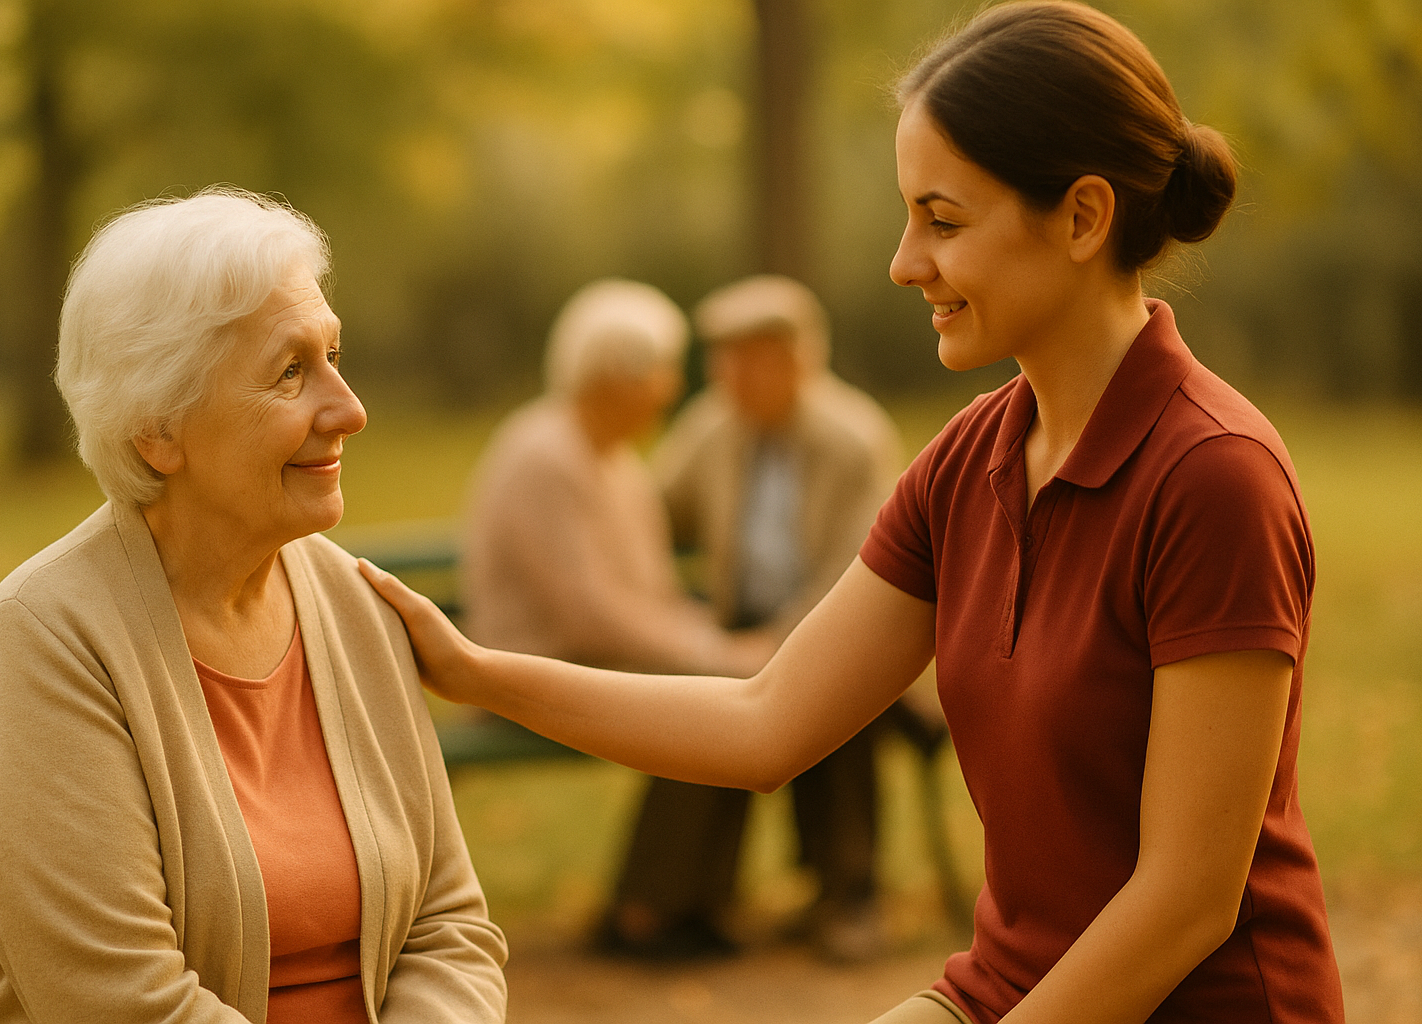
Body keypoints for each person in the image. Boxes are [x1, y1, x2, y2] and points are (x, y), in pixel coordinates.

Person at [362, 1, 1348, 1019]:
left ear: (1084, 217)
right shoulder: (968, 464)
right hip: (1005, 991)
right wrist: (475, 672)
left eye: (943, 219)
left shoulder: (1214, 478)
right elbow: (764, 721)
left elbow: (1186, 902)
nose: (904, 260)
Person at [0, 189, 508, 1024]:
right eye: (292, 371)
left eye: (335, 355)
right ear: (158, 427)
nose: (350, 409)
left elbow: (449, 926)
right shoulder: (49, 639)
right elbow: (123, 1004)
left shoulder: (352, 603)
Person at [603, 274, 910, 962]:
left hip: (845, 622)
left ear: (798, 359)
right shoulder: (713, 425)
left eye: (748, 358)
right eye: (721, 358)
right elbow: (656, 509)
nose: (728, 376)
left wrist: (781, 645)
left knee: (841, 697)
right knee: (696, 697)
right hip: (741, 622)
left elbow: (857, 570)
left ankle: (850, 893)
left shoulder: (853, 438)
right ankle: (674, 897)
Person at [462, 279, 769, 959]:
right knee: (702, 704)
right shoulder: (544, 456)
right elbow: (589, 615)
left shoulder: (620, 465)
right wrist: (715, 653)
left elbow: (650, 597)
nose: (668, 389)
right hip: (530, 670)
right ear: (611, 376)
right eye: (657, 371)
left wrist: (715, 647)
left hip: (594, 660)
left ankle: (690, 901)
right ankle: (642, 913)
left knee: (733, 701)